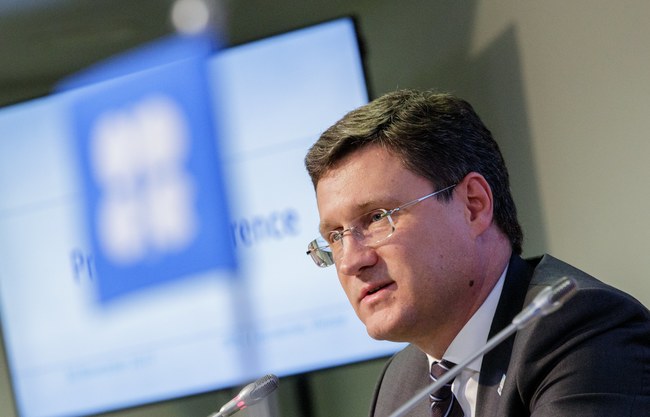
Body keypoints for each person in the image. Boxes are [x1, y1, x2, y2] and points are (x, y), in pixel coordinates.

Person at [303, 89, 650, 416]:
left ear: (473, 205)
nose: (350, 261)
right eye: (335, 236)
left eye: (377, 217)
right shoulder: (399, 385)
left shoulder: (580, 330)